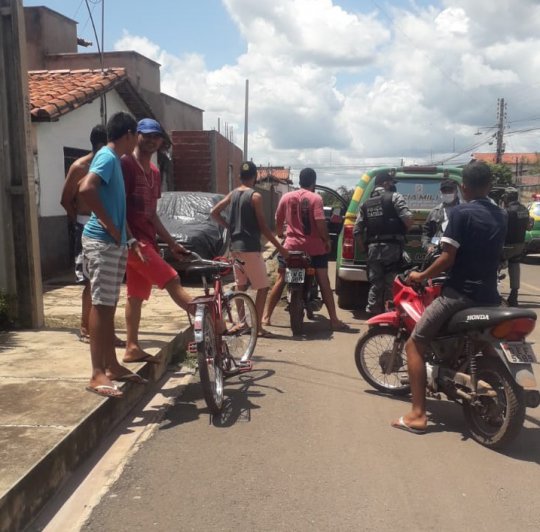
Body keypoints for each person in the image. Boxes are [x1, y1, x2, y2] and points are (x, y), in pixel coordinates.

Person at [392, 161, 507, 434]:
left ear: (463, 188)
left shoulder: (460, 213)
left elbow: (447, 257)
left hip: (460, 295)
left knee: (415, 344)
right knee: (486, 345)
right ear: (490, 185)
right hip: (491, 296)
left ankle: (418, 414)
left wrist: (421, 276)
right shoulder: (501, 214)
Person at [78, 111, 141, 399]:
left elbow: (117, 206)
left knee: (108, 305)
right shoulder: (106, 156)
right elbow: (86, 188)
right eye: (136, 135)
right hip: (101, 242)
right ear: (128, 134)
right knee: (101, 306)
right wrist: (108, 225)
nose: (137, 140)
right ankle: (97, 373)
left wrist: (128, 237)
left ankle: (112, 366)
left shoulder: (114, 159)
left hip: (114, 243)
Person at [122, 118, 194, 363]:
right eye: (147, 135)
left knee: (136, 296)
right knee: (173, 279)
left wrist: (172, 243)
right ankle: (216, 326)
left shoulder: (154, 171)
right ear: (136, 136)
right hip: (134, 243)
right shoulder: (126, 164)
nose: (152, 140)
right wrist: (130, 241)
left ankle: (132, 347)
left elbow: (152, 214)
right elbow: (119, 207)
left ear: (161, 141)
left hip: (147, 240)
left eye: (156, 136)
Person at [60, 125, 126, 347]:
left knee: (109, 286)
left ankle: (107, 332)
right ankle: (85, 327)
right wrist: (80, 222)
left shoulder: (112, 163)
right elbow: (65, 200)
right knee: (91, 282)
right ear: (101, 144)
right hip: (88, 227)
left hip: (109, 230)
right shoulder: (81, 167)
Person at [262, 167, 349, 331]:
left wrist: (281, 234)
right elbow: (320, 222)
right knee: (323, 280)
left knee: (281, 279)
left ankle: (266, 318)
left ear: (300, 181)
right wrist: (327, 240)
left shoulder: (286, 197)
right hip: (314, 249)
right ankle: (334, 320)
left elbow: (278, 219)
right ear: (313, 182)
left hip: (291, 248)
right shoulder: (316, 198)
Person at [211, 161, 288, 337]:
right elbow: (263, 227)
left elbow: (214, 212)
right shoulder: (255, 196)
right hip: (250, 249)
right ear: (255, 177)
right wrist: (281, 248)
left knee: (240, 286)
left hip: (235, 248)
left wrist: (229, 227)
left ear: (240, 176)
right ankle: (258, 327)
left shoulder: (233, 194)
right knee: (263, 287)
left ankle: (242, 323)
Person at [353, 172, 413, 315]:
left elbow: (357, 231)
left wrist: (364, 250)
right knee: (391, 284)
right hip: (392, 248)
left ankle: (373, 314)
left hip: (373, 250)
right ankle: (390, 316)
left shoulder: (365, 204)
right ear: (385, 183)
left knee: (375, 285)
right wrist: (405, 229)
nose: (392, 185)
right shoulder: (395, 197)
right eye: (391, 182)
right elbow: (408, 219)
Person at [501, 187, 529, 307]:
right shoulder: (524, 209)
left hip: (507, 246)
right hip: (520, 244)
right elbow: (528, 226)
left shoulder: (506, 211)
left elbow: (500, 228)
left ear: (507, 197)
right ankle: (514, 295)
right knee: (515, 266)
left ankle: (491, 291)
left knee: (492, 263)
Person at [421, 178, 460, 252]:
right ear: (441, 192)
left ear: (456, 192)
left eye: (450, 191)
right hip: (437, 250)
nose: (447, 193)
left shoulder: (464, 211)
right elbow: (426, 234)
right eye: (444, 191)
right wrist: (428, 246)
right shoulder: (435, 212)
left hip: (458, 252)